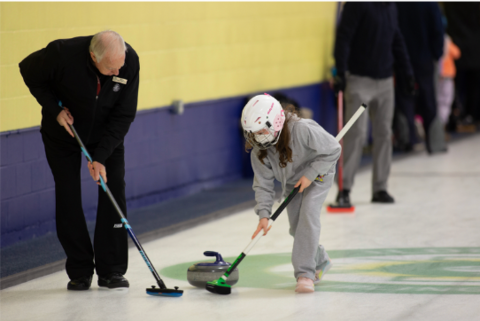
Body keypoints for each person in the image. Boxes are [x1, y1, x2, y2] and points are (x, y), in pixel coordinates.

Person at [19, 30, 140, 291]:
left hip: (107, 136)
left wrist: (101, 157)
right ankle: (80, 269)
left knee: (113, 189)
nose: (117, 70)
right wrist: (54, 110)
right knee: (68, 195)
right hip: (64, 133)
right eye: (110, 67)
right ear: (93, 56)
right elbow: (28, 71)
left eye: (119, 64)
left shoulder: (128, 62)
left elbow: (124, 114)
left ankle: (112, 270)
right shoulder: (60, 54)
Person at [242, 94, 341, 293]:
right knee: (297, 229)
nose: (258, 136)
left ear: (275, 122)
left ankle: (305, 274)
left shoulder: (302, 129)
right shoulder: (259, 150)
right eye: (253, 132)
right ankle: (321, 259)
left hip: (318, 172)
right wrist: (263, 214)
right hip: (293, 181)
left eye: (261, 130)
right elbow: (263, 184)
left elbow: (333, 149)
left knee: (308, 215)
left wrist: (311, 174)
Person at [333, 2, 414, 205]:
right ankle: (344, 189)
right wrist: (341, 71)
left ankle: (380, 188)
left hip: (385, 80)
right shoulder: (357, 4)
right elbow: (344, 36)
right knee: (356, 134)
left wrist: (407, 73)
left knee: (384, 134)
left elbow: (396, 39)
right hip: (359, 80)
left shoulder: (390, 7)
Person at [396, 2, 446, 154]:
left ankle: (407, 141)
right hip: (425, 58)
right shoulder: (429, 3)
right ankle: (435, 143)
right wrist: (437, 54)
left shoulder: (397, 4)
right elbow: (438, 29)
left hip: (402, 58)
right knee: (429, 100)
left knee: (404, 99)